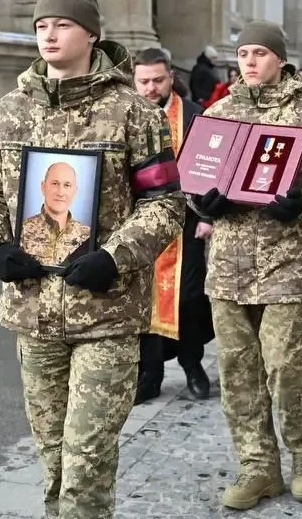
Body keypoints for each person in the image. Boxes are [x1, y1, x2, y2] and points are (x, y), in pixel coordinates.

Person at [0, 0, 184, 519]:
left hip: (106, 313)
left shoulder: (134, 114)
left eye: (62, 24)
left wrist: (114, 256)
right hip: (33, 310)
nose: (49, 34)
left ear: (91, 34)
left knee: (86, 457)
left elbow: (165, 203)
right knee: (53, 458)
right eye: (41, 25)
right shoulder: (8, 112)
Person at [192, 21, 302, 509]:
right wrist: (203, 204)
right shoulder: (219, 113)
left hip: (288, 262)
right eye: (243, 53)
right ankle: (258, 466)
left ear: (281, 59)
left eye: (260, 53)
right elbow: (193, 181)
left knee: (284, 367)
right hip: (228, 267)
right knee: (237, 370)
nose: (250, 61)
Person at [131, 48, 214, 404]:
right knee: (144, 300)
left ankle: (192, 365)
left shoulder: (195, 116)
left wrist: (208, 217)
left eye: (158, 80)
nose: (151, 88)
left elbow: (211, 168)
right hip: (138, 226)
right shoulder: (124, 115)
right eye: (144, 81)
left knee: (190, 298)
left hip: (186, 223)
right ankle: (150, 374)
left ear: (171, 78)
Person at [20, 162, 92, 266]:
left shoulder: (87, 235)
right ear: (43, 187)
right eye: (55, 183)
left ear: (75, 191)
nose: (60, 192)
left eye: (67, 185)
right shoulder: (23, 229)